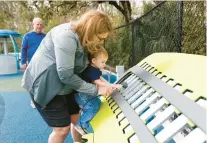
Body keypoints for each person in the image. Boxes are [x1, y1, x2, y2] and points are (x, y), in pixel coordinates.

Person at [21, 10, 113, 143]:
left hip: (67, 85)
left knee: (76, 119)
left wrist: (106, 85)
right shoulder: (66, 36)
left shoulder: (86, 40)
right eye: (100, 38)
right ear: (90, 30)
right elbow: (65, 75)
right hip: (46, 85)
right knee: (61, 129)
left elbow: (89, 69)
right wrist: (97, 90)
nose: (101, 42)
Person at [74, 46, 120, 135]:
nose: (104, 64)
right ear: (94, 61)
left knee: (98, 102)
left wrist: (110, 85)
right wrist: (111, 85)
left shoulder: (94, 68)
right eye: (102, 62)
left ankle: (84, 112)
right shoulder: (91, 70)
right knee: (93, 108)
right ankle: (80, 125)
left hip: (86, 93)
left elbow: (101, 79)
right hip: (82, 95)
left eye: (105, 62)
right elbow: (98, 82)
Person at [21, 17, 46, 108]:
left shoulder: (45, 36)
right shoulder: (27, 36)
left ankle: (42, 99)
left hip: (43, 63)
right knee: (33, 83)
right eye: (37, 24)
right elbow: (23, 49)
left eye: (41, 24)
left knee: (42, 82)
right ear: (33, 25)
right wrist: (23, 61)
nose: (39, 26)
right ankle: (33, 100)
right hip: (31, 63)